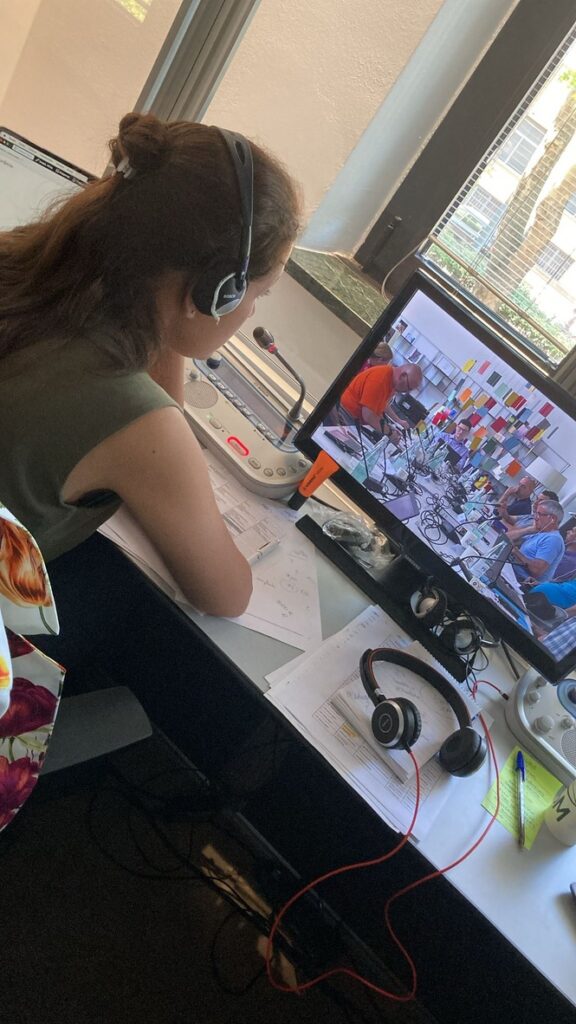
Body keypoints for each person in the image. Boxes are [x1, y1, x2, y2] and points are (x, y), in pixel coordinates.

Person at [0, 113, 301, 619]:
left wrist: (171, 321)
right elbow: (227, 596)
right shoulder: (136, 419)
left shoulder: (23, 262)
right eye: (258, 294)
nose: (250, 312)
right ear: (217, 292)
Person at [336, 362, 423, 434]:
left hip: (355, 420)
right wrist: (389, 433)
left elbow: (381, 403)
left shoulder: (391, 382)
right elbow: (368, 415)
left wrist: (395, 423)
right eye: (408, 388)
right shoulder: (381, 379)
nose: (407, 392)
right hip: (345, 415)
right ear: (402, 376)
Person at [510, 500, 565, 584]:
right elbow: (507, 538)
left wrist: (516, 552)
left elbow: (536, 570)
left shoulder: (553, 539)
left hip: (520, 581)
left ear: (553, 519)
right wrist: (529, 530)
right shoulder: (540, 532)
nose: (535, 517)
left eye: (539, 514)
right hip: (513, 572)